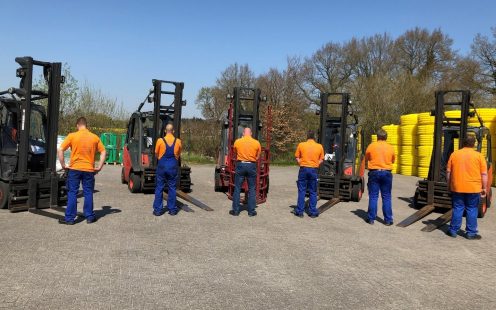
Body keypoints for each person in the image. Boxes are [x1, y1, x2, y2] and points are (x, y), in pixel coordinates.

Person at [57, 117, 106, 225]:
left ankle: (69, 219)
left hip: (74, 169)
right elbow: (103, 152)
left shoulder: (72, 136)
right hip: (89, 169)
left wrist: (63, 165)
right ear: (86, 125)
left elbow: (60, 150)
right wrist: (99, 166)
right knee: (88, 192)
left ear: (77, 125)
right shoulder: (94, 137)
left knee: (72, 192)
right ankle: (89, 217)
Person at [446, 135, 487, 240]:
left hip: (457, 187)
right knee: (472, 209)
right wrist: (484, 187)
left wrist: (449, 184)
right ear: (474, 144)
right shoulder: (479, 156)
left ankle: (453, 231)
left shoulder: (454, 154)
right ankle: (471, 233)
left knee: (458, 208)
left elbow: (448, 172)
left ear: (463, 143)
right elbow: (484, 174)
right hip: (473, 188)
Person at [365, 129, 395, 225]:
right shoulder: (390, 147)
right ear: (386, 137)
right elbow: (393, 160)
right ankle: (388, 220)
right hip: (386, 173)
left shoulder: (371, 146)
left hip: (374, 172)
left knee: (373, 196)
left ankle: (371, 219)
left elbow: (367, 158)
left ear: (377, 137)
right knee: (386, 197)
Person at [230, 127, 261, 217]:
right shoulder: (256, 143)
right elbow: (258, 155)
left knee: (237, 188)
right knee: (251, 189)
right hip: (251, 165)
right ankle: (251, 211)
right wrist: (252, 160)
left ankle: (235, 211)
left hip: (240, 165)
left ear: (243, 133)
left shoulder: (237, 141)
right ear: (251, 133)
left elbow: (235, 152)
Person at [153, 123, 182, 216]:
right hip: (173, 167)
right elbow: (178, 154)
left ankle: (158, 210)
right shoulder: (178, 141)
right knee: (172, 188)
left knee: (159, 188)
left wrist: (161, 161)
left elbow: (156, 154)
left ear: (165, 131)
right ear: (173, 131)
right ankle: (172, 210)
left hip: (162, 167)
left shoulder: (160, 141)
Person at [293, 130, 324, 218]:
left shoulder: (301, 145)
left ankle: (299, 211)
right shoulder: (319, 146)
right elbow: (321, 159)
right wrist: (316, 164)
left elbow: (297, 157)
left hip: (303, 169)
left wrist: (300, 163)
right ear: (314, 137)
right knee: (313, 191)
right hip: (313, 169)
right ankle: (312, 212)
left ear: (307, 136)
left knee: (302, 190)